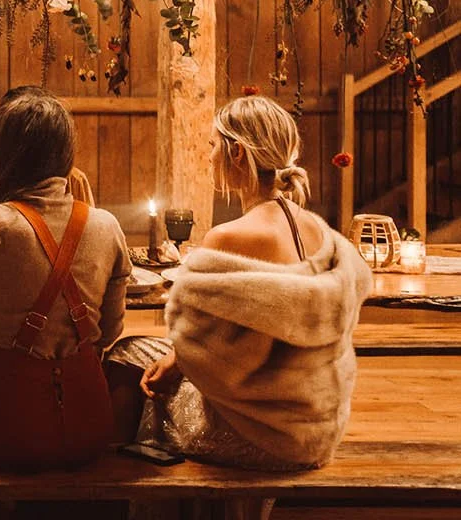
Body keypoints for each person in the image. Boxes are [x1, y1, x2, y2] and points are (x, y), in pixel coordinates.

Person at [106, 96, 372, 470]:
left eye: (213, 145)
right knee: (161, 356)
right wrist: (177, 357)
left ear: (236, 153)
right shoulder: (316, 229)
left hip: (258, 433)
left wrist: (176, 359)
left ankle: (121, 482)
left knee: (126, 353)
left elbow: (195, 345)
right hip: (312, 424)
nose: (208, 155)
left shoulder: (228, 237)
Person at [0, 86, 130, 470]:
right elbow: (112, 328)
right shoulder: (107, 226)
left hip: (6, 429)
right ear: (67, 152)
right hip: (89, 424)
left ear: (2, 151)